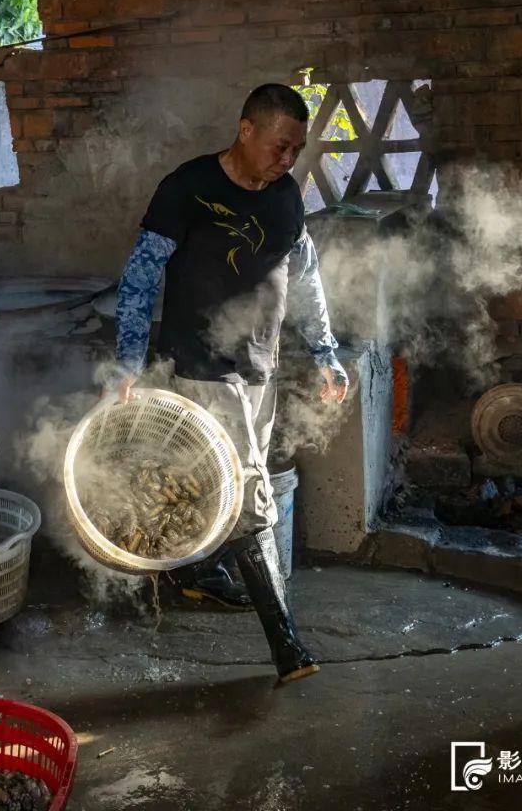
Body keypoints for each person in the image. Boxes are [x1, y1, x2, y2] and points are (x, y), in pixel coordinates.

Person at [108, 83, 348, 686]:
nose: (286, 160)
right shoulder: (187, 188)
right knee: (250, 491)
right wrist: (128, 362)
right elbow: (139, 279)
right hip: (201, 367)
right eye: (278, 146)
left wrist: (326, 351)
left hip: (258, 370)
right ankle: (287, 647)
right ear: (246, 131)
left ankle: (189, 572)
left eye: (294, 150)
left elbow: (307, 274)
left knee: (216, 483)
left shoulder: (287, 196)